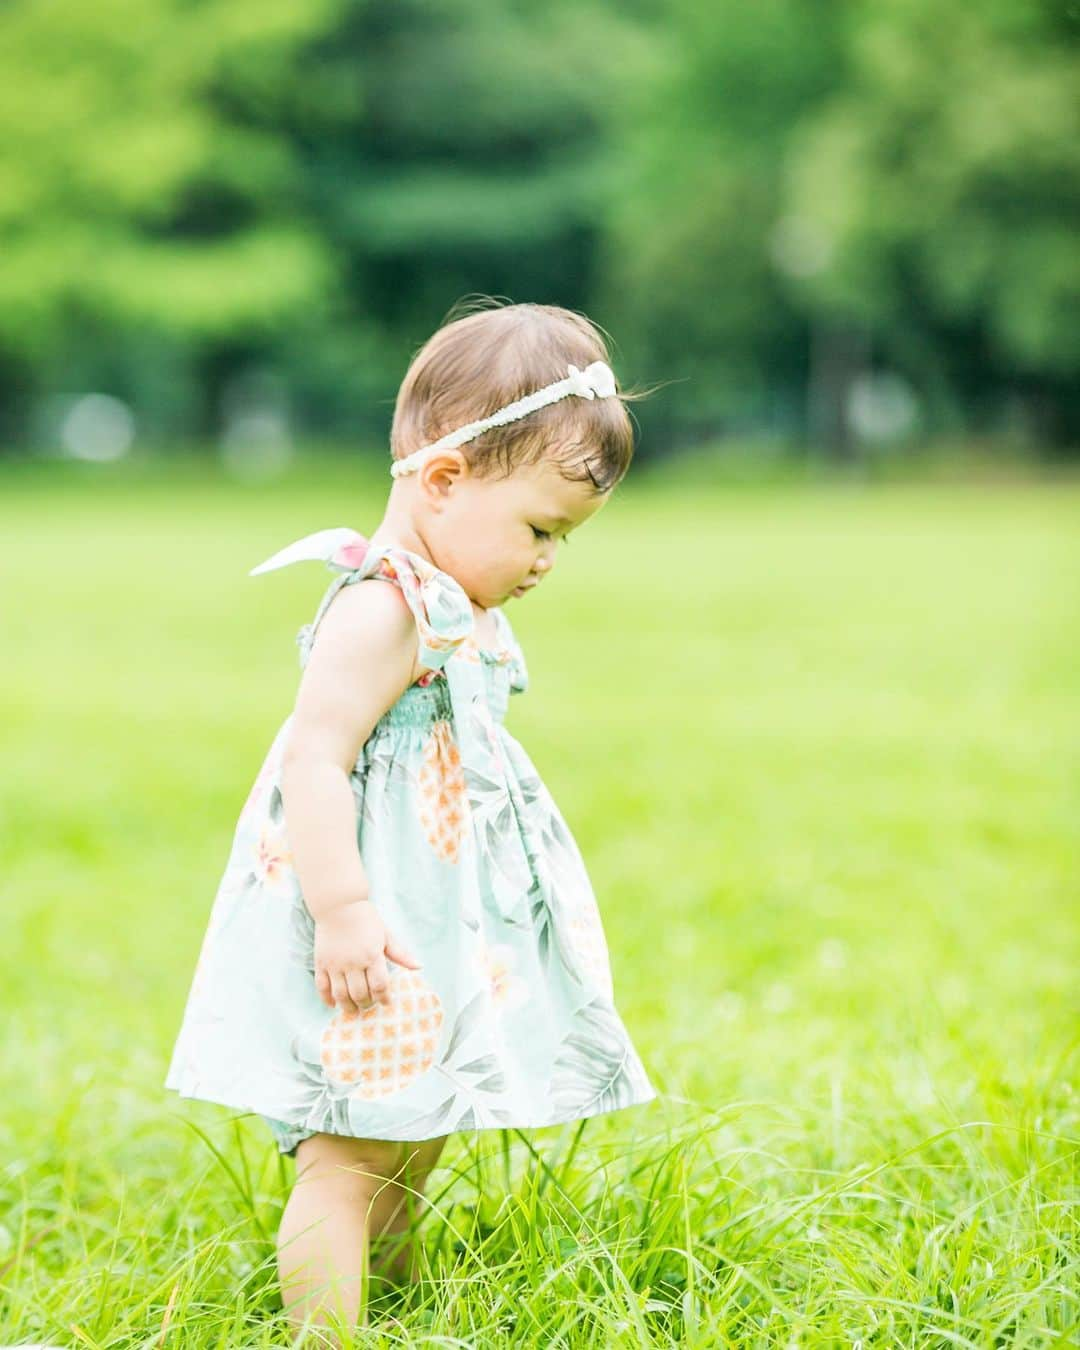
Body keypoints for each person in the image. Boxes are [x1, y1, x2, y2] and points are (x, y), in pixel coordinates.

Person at [163, 298, 658, 1340]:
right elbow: (314, 755)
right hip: (370, 909)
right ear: (443, 480)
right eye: (538, 529)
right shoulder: (384, 606)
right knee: (348, 1151)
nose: (548, 561)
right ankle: (326, 1333)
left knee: (413, 1133)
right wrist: (342, 910)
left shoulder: (451, 601)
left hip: (430, 909)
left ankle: (393, 1304)